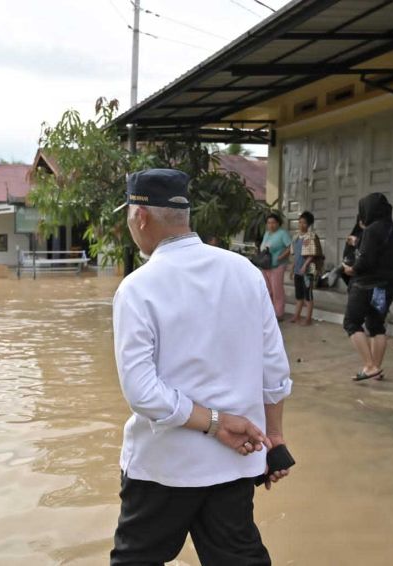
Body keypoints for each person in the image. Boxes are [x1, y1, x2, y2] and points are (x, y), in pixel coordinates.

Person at [110, 168, 293, 565]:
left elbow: (143, 394)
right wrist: (274, 437)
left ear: (140, 216)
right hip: (235, 462)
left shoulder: (138, 287)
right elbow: (274, 370)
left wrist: (213, 422)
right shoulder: (244, 271)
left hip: (163, 468)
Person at [342, 193, 393, 381]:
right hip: (386, 287)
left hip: (365, 285)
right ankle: (376, 367)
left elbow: (366, 259)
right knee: (377, 326)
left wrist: (351, 269)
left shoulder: (371, 230)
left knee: (352, 323)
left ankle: (369, 366)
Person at [290, 211, 322, 325]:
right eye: (300, 222)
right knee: (299, 295)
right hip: (298, 270)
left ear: (308, 224)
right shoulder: (295, 237)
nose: (301, 224)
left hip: (308, 271)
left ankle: (308, 318)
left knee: (307, 295)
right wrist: (292, 268)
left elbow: (313, 254)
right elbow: (295, 255)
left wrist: (305, 266)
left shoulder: (312, 236)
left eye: (304, 223)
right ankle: (296, 315)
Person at [260, 213, 292, 320]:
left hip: (277, 266)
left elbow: (290, 247)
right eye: (269, 223)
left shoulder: (283, 233)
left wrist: (281, 256)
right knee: (267, 290)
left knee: (277, 290)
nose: (271, 225)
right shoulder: (267, 234)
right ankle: (269, 312)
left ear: (278, 223)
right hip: (265, 266)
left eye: (273, 222)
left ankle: (278, 313)